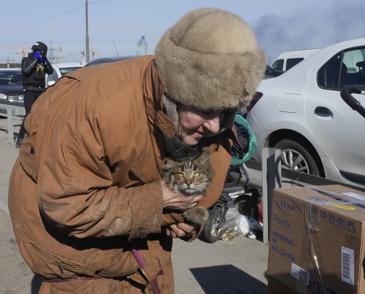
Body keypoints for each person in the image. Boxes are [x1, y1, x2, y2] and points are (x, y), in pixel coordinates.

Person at [8, 8, 265, 293]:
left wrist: (186, 221)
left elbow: (201, 194)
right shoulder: (93, 109)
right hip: (72, 255)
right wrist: (161, 198)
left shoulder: (214, 127)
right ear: (174, 92)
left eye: (227, 112)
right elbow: (66, 207)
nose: (215, 126)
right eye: (206, 109)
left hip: (143, 249)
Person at [15, 41, 53, 148]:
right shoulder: (26, 60)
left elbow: (50, 71)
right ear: (36, 51)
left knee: (41, 114)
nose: (43, 54)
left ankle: (39, 137)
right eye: (42, 52)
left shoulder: (43, 61)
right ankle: (20, 137)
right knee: (29, 114)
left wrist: (45, 60)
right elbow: (26, 71)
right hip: (30, 91)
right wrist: (36, 60)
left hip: (41, 91)